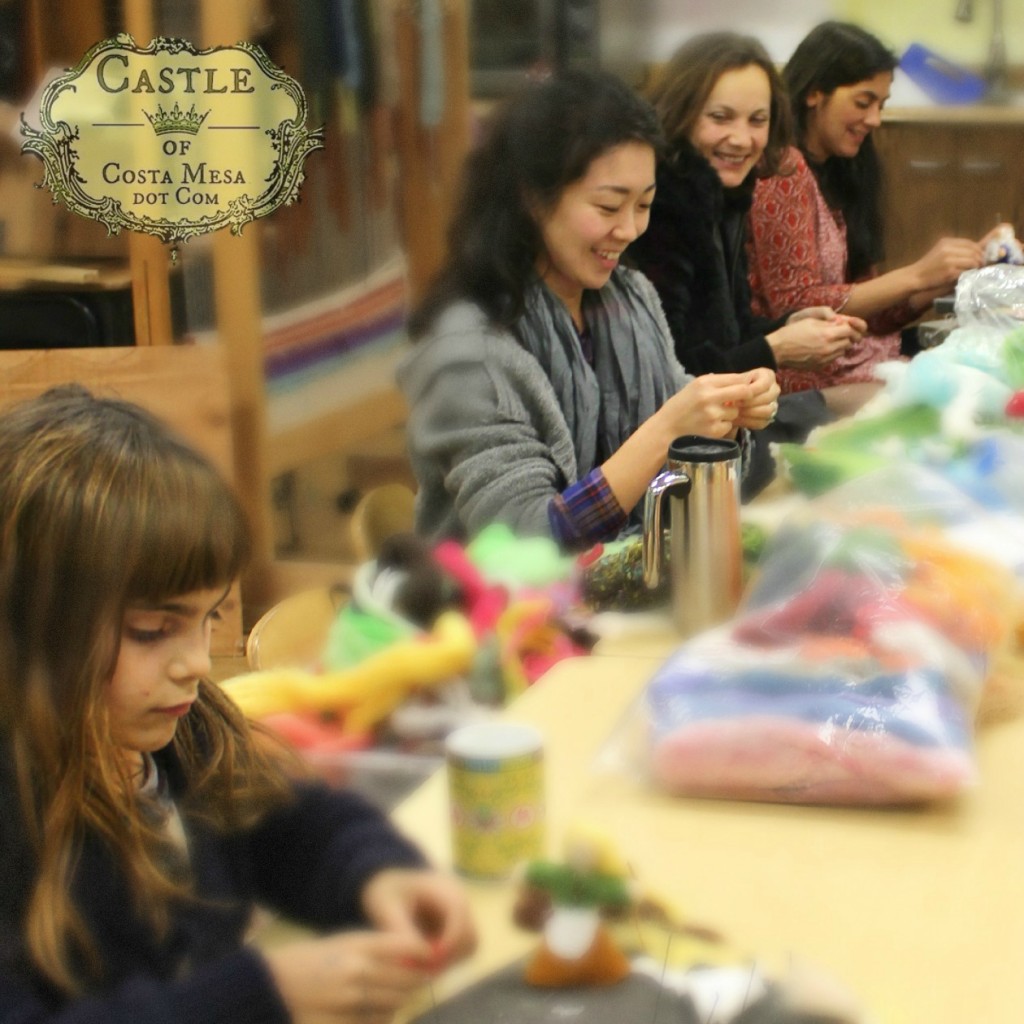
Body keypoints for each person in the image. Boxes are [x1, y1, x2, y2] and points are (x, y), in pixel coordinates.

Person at [0, 385, 476, 1024]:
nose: (197, 661)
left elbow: (280, 822)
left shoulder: (180, 734)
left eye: (209, 619)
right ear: (32, 626)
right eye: (153, 631)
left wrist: (376, 874)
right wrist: (257, 996)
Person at [399, 69, 780, 549]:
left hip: (619, 592)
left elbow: (677, 412)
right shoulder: (466, 351)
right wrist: (666, 432)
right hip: (490, 614)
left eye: (644, 205)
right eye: (607, 207)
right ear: (533, 198)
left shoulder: (630, 298)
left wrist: (731, 411)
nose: (629, 230)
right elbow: (526, 544)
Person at [747, 21, 1002, 415]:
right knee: (973, 394)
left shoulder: (838, 170)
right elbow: (793, 306)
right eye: (863, 102)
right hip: (798, 379)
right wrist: (917, 274)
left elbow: (869, 315)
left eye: (880, 105)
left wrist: (939, 279)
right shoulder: (783, 170)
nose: (874, 120)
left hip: (854, 361)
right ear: (815, 92)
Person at [629, 31, 866, 436]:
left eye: (757, 120)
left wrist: (787, 324)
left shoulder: (727, 195)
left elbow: (730, 328)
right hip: (684, 444)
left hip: (732, 417)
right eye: (720, 118)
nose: (742, 139)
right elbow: (671, 374)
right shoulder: (660, 206)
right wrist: (777, 349)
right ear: (680, 115)